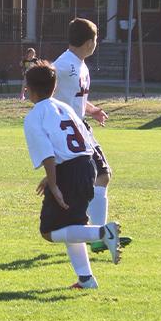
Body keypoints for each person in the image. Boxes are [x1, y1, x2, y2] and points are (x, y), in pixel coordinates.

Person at [22, 60, 124, 289]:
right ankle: (86, 279)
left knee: (49, 231)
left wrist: (55, 184)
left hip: (68, 172)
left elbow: (48, 154)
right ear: (54, 87)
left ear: (28, 89)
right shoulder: (65, 107)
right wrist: (53, 177)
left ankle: (103, 232)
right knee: (73, 225)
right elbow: (80, 144)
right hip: (87, 166)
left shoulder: (34, 116)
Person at [53, 18, 129, 254]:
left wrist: (93, 110)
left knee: (101, 176)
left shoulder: (81, 64)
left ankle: (95, 234)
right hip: (69, 132)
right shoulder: (65, 64)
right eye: (96, 39)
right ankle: (95, 234)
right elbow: (47, 85)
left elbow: (75, 98)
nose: (97, 43)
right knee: (98, 177)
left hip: (81, 128)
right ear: (88, 43)